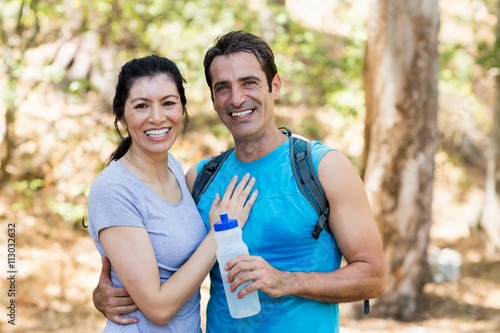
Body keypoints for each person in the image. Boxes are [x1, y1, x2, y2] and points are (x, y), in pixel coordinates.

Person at [93, 31, 385, 333]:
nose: (236, 98)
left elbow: (373, 277)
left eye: (249, 82)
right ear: (213, 100)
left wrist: (285, 281)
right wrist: (107, 293)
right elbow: (159, 258)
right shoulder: (198, 178)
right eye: (223, 88)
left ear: (275, 85)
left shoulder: (322, 168)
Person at [87, 54, 258, 333]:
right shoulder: (114, 189)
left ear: (182, 109)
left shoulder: (174, 168)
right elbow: (158, 308)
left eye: (168, 103)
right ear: (122, 115)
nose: (157, 117)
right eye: (141, 105)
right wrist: (221, 232)